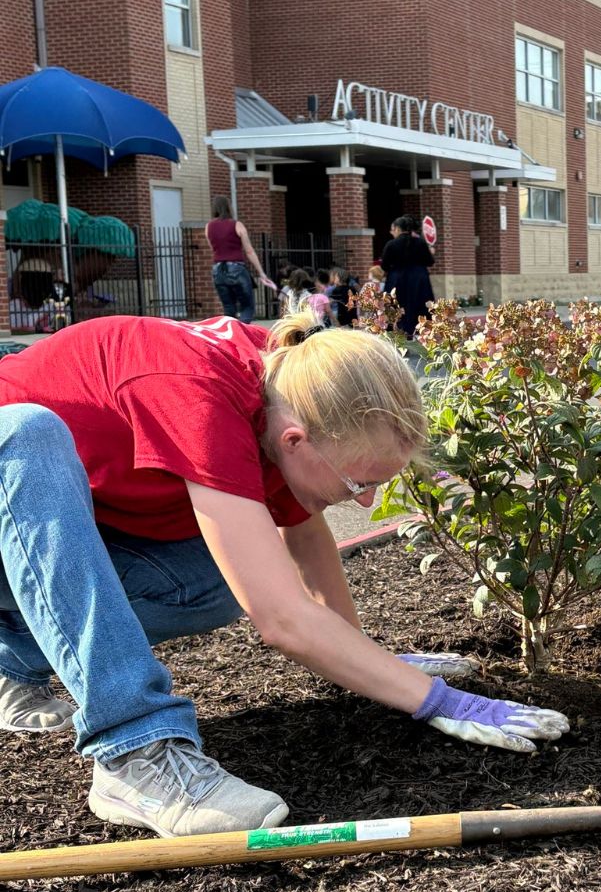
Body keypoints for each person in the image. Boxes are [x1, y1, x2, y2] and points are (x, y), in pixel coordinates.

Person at [0, 307, 569, 838]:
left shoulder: (291, 389)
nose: (367, 504)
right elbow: (281, 618)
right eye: (357, 484)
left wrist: (363, 655)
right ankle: (134, 753)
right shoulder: (196, 392)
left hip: (46, 545)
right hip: (13, 494)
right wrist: (442, 702)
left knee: (228, 577)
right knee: (22, 432)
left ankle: (8, 661)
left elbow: (303, 537)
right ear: (296, 442)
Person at [204, 196, 276, 323]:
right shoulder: (237, 225)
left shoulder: (208, 227)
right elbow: (249, 251)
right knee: (247, 306)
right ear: (228, 207)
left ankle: (232, 336)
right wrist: (261, 273)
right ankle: (243, 331)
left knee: (228, 308)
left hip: (218, 270)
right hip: (236, 268)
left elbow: (213, 248)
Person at [380, 215, 435, 338]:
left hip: (397, 279)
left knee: (397, 306)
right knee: (420, 305)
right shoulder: (420, 242)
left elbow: (384, 265)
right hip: (419, 279)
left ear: (398, 229)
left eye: (392, 230)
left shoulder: (391, 244)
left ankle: (398, 331)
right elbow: (430, 261)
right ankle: (423, 331)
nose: (392, 232)